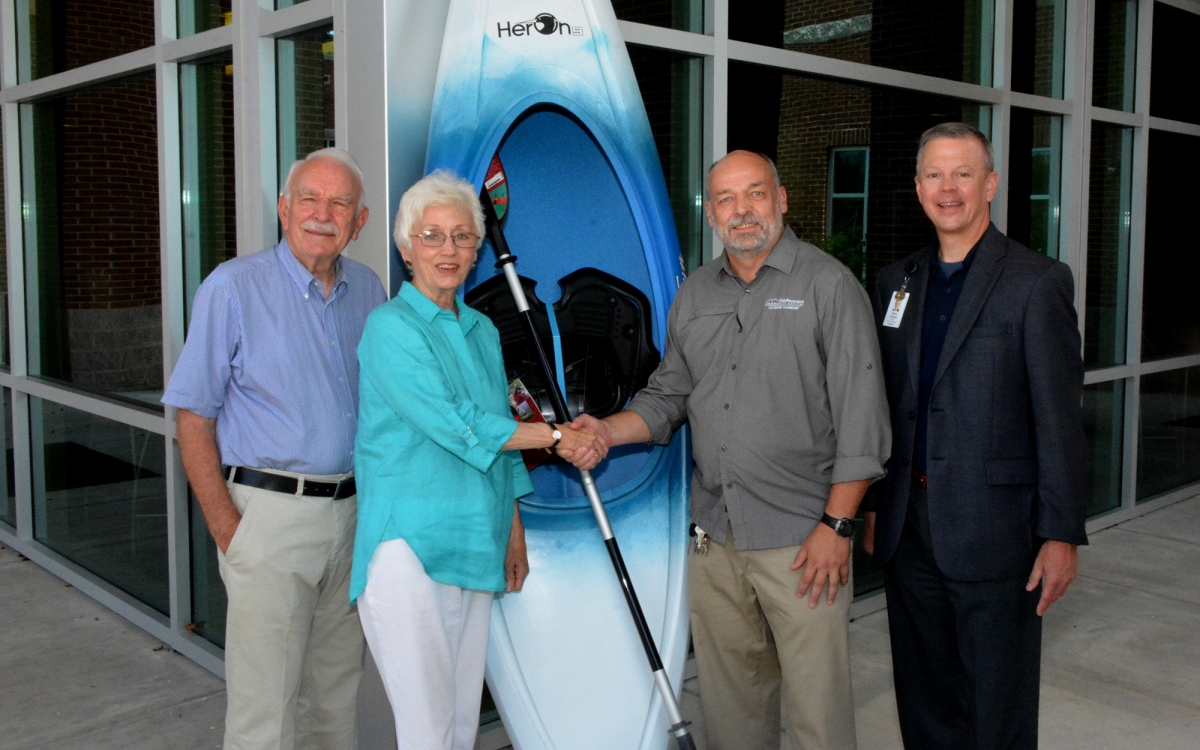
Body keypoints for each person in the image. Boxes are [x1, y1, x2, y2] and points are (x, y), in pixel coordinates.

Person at [565, 150, 891, 750]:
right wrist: (607, 431)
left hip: (803, 542)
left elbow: (862, 421)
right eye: (726, 199)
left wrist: (837, 526)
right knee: (732, 709)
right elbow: (668, 396)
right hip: (713, 537)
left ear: (782, 199)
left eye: (755, 194)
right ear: (711, 213)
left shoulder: (828, 286)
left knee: (818, 715)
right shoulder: (693, 297)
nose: (742, 211)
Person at [350, 170, 605, 750]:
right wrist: (557, 438)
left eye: (463, 237)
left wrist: (512, 533)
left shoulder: (483, 329)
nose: (449, 249)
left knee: (461, 721)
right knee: (427, 728)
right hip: (411, 547)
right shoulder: (390, 328)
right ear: (406, 247)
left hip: (476, 539)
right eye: (433, 235)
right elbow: (457, 422)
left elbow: (498, 429)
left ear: (479, 249)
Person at [863, 122, 1088, 750]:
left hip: (998, 531)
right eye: (934, 174)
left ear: (990, 184)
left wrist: (1061, 532)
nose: (948, 188)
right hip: (910, 527)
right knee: (925, 696)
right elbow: (889, 404)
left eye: (963, 173)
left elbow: (1059, 418)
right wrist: (879, 503)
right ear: (917, 188)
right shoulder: (894, 283)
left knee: (997, 703)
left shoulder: (1036, 282)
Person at [163, 147, 386, 750]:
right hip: (268, 519)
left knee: (336, 698)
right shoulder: (233, 288)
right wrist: (228, 529)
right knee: (266, 711)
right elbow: (193, 416)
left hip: (352, 518)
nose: (323, 213)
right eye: (309, 199)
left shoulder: (369, 291)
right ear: (284, 209)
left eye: (339, 202)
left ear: (359, 220)